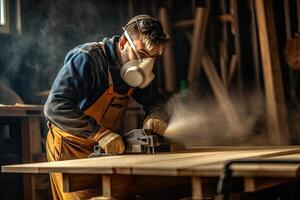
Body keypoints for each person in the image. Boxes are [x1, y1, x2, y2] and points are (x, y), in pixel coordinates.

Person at [44, 14, 169, 199]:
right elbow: (55, 106)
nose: (146, 64)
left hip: (104, 151)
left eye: (153, 58)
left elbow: (157, 101)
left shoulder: (139, 73)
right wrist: (99, 133)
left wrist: (156, 116)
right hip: (70, 147)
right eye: (142, 55)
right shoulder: (87, 59)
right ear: (123, 43)